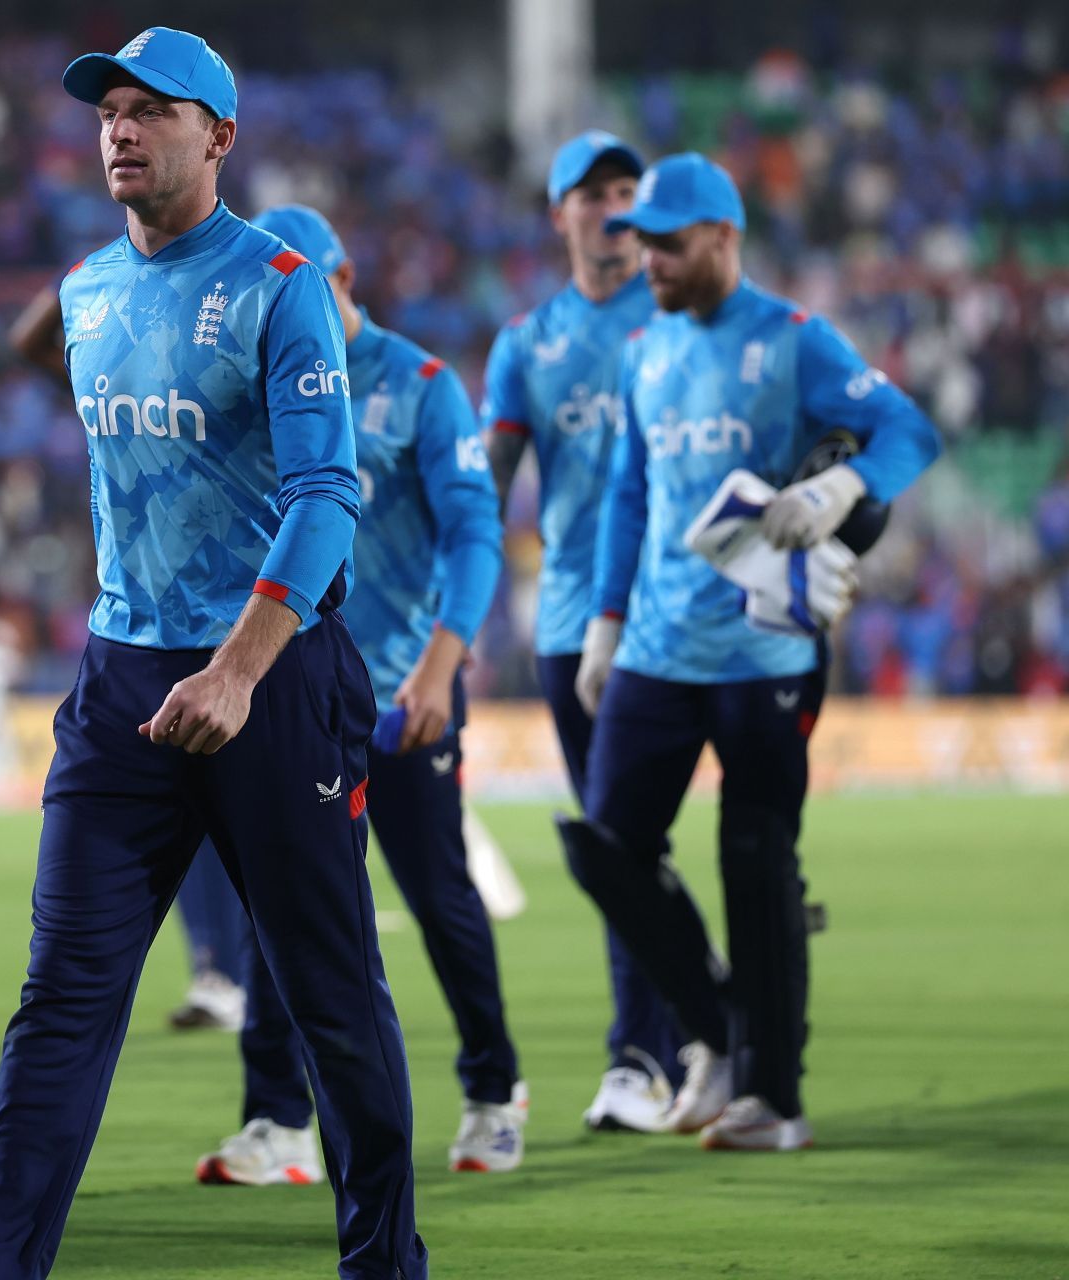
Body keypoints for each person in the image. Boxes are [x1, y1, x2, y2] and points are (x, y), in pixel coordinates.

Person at [0, 28, 427, 1280]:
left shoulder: (282, 285)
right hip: (120, 682)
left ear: (218, 135)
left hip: (269, 679)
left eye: (151, 110)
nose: (119, 128)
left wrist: (236, 665)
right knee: (62, 992)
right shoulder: (83, 293)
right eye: (109, 110)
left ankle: (386, 1264)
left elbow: (329, 489)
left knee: (333, 1000)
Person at [560, 153, 941, 1151]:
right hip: (656, 642)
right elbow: (630, 497)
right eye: (640, 244)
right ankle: (718, 1030)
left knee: (757, 860)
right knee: (602, 846)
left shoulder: (794, 341)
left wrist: (841, 491)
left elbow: (907, 429)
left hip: (768, 650)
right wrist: (604, 623)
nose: (649, 262)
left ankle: (772, 1093)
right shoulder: (646, 351)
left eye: (669, 245)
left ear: (725, 238)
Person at [195, 203, 522, 1186]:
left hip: (403, 691)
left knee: (438, 895)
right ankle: (276, 1118)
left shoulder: (421, 385)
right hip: (298, 692)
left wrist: (442, 662)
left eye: (303, 284)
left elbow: (475, 534)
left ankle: (493, 1091)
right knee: (281, 905)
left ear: (342, 282)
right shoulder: (260, 380)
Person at [482, 131, 688, 1131]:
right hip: (572, 621)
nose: (612, 206)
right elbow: (485, 486)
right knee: (621, 836)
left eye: (626, 189)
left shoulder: (682, 315)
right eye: (593, 191)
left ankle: (655, 1050)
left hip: (684, 616)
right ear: (558, 211)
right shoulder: (528, 342)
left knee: (629, 836)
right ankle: (679, 1037)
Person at [8, 281, 250, 1034]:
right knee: (183, 817)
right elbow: (31, 344)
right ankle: (220, 972)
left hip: (250, 631)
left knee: (262, 847)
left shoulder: (258, 341)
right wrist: (104, 268)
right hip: (142, 626)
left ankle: (249, 995)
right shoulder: (115, 342)